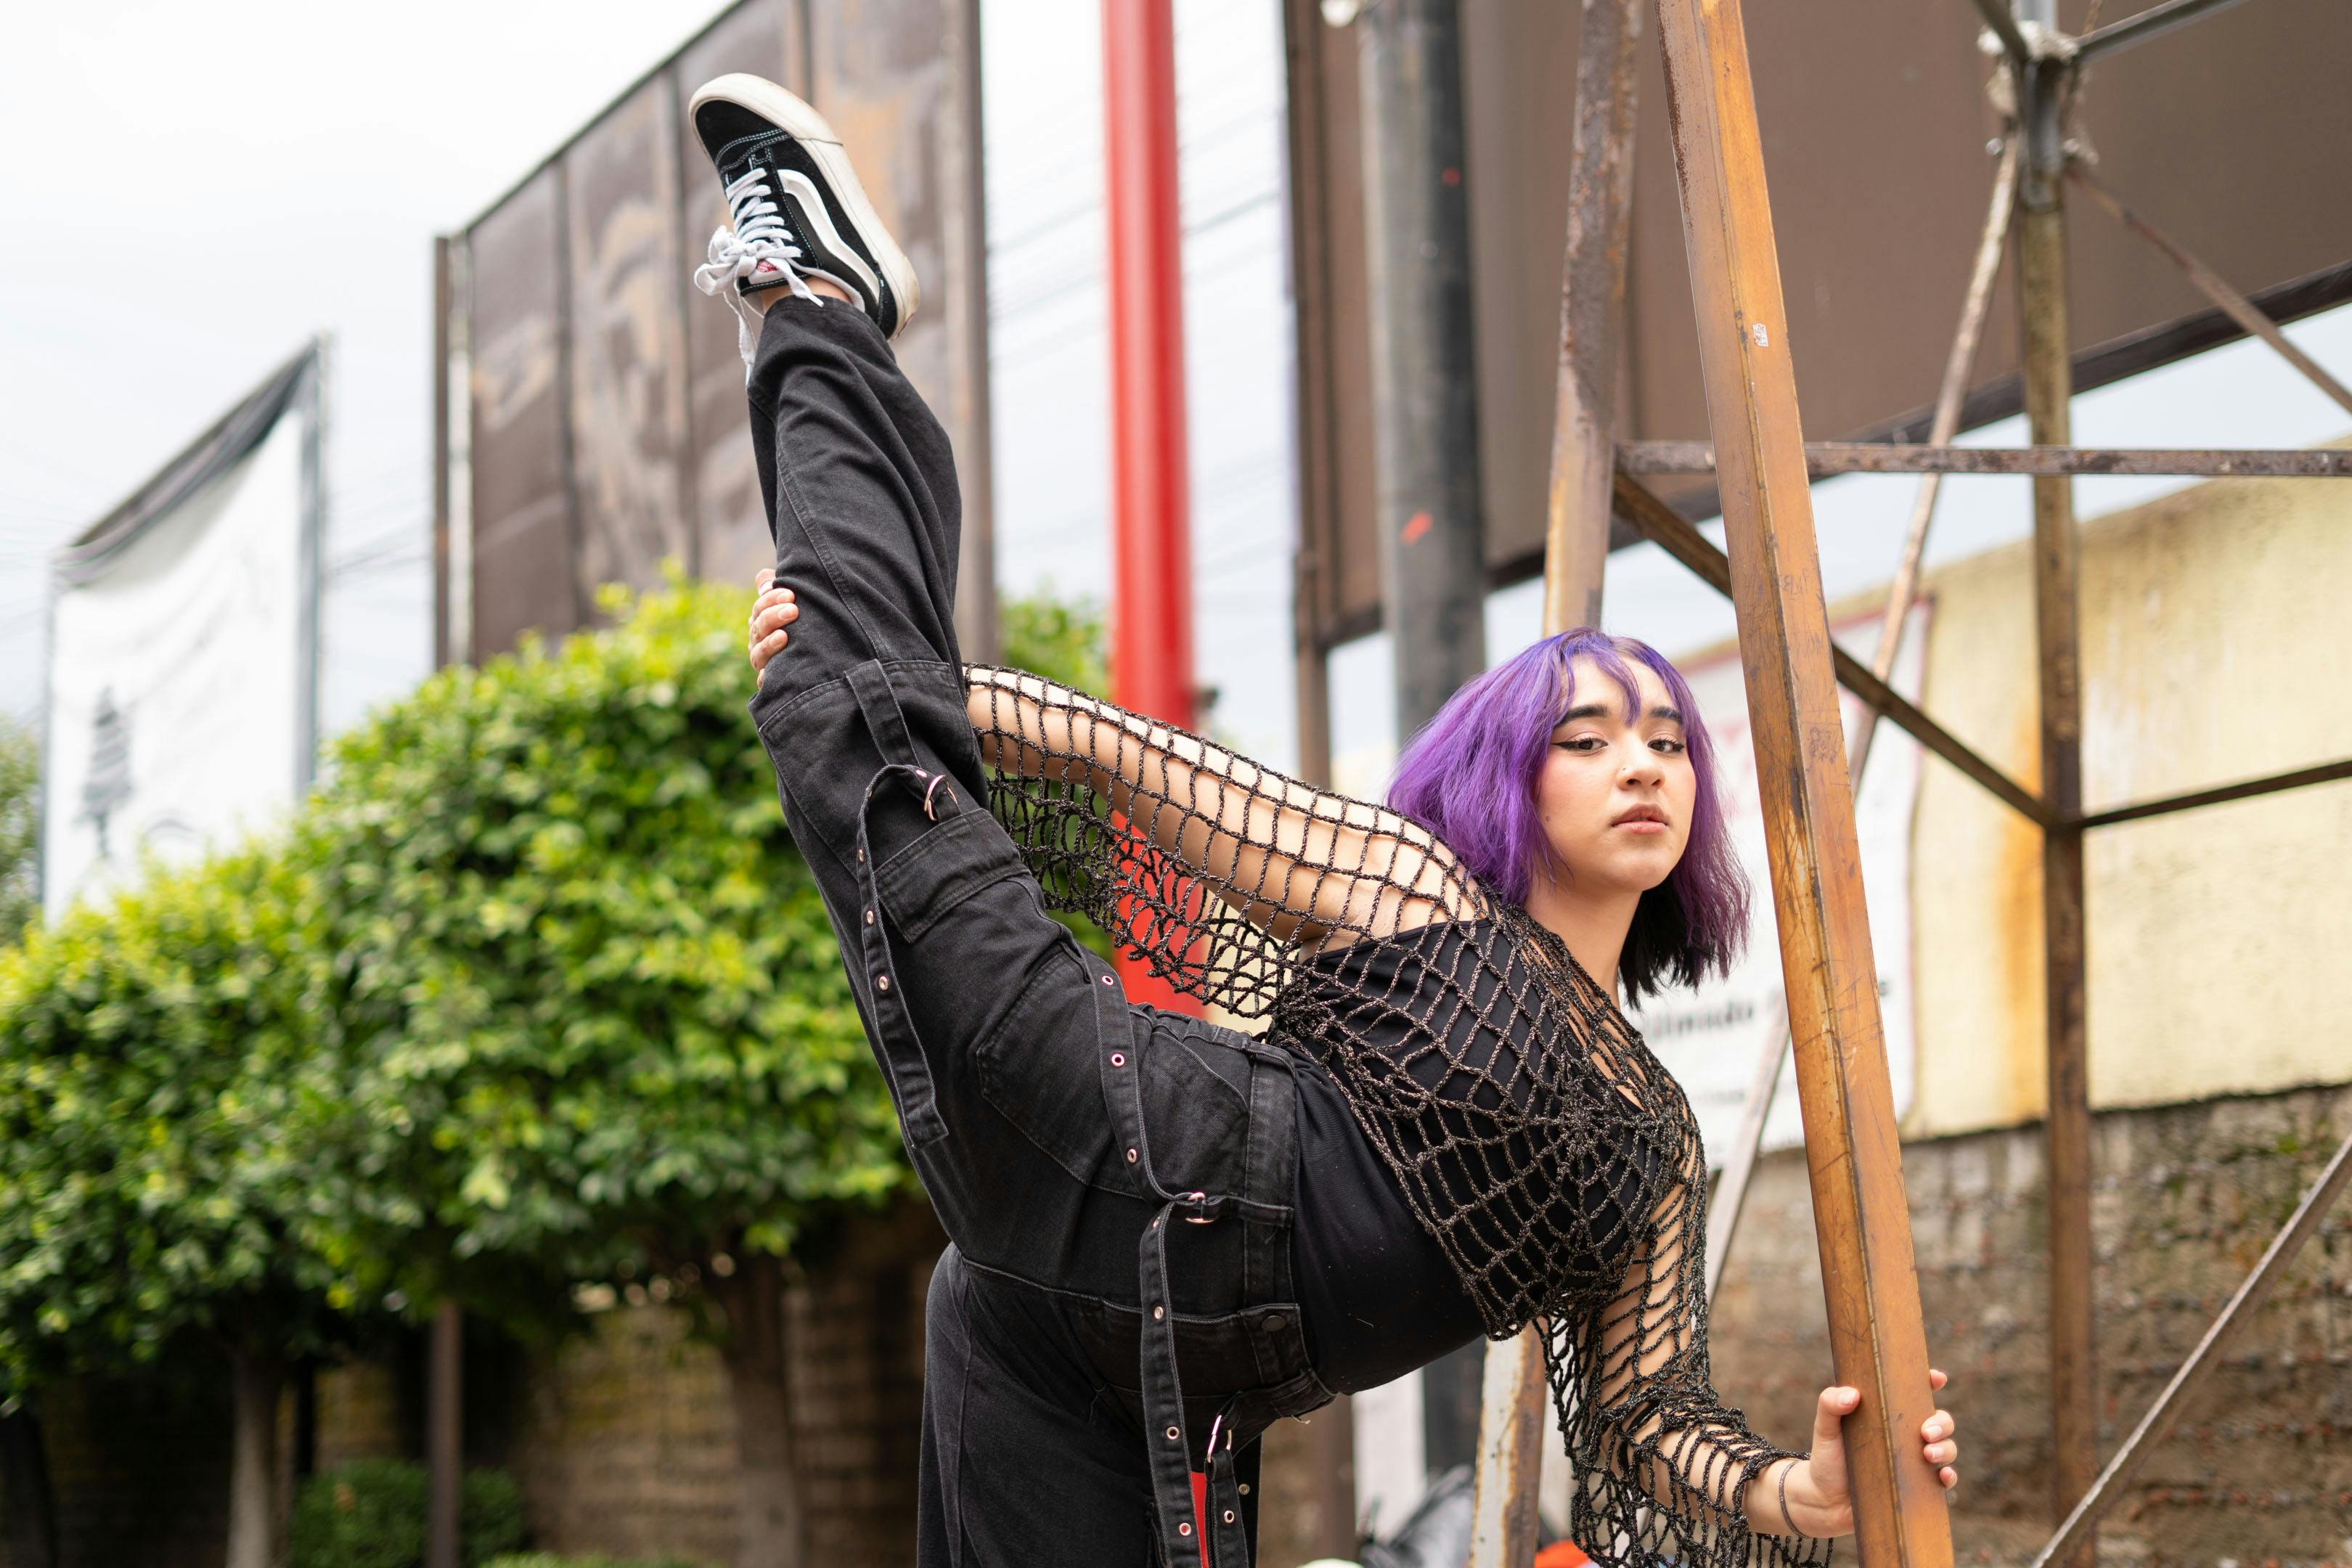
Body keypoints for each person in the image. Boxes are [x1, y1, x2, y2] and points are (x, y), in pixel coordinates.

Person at [689, 73, 1957, 1568]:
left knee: (854, 696)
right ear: (1510, 783)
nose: (1645, 765)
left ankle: (851, 578)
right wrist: (919, 691)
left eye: (1672, 742)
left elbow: (1641, 1415)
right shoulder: (1424, 898)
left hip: (1117, 1355)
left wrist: (1794, 1497)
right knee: (854, 716)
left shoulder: (1653, 1146)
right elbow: (1159, 779)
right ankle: (820, 301)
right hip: (1122, 1136)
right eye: (1590, 736)